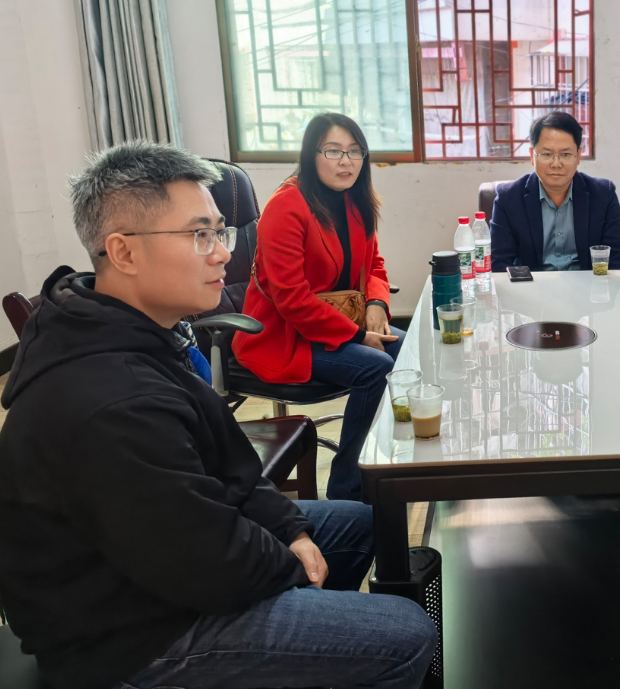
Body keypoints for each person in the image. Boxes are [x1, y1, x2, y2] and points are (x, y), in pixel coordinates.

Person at [0, 141, 436, 689]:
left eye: (220, 233)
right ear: (124, 252)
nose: (224, 255)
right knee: (406, 633)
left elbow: (232, 468)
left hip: (182, 560)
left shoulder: (140, 330)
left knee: (365, 525)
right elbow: (207, 565)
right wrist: (292, 562)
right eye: (199, 235)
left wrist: (289, 529)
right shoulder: (109, 403)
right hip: (133, 635)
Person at [234, 112, 403, 501]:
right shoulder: (286, 206)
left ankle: (387, 465)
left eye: (355, 151)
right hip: (284, 336)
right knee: (376, 367)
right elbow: (292, 300)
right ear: (311, 155)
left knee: (410, 351)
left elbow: (375, 266)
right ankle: (349, 489)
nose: (346, 161)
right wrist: (358, 336)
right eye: (333, 151)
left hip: (337, 321)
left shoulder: (356, 200)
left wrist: (377, 303)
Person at [489, 111, 620, 272]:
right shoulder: (508, 198)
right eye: (547, 154)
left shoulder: (603, 195)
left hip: (588, 285)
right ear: (532, 156)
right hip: (532, 285)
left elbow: (619, 260)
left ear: (578, 156)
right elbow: (499, 263)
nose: (556, 164)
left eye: (565, 154)